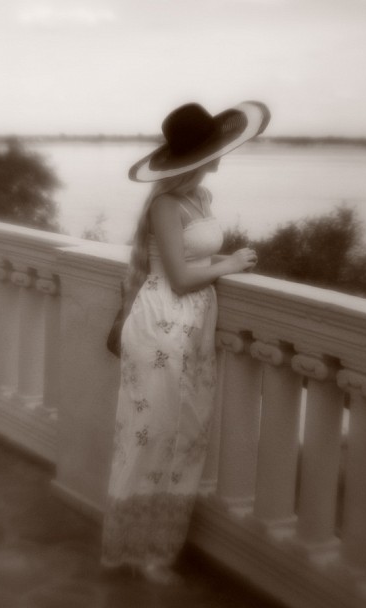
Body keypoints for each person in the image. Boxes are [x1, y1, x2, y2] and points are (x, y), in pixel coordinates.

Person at [101, 100, 271, 584]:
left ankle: (160, 544)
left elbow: (194, 261)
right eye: (214, 148)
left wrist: (224, 262)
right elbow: (178, 277)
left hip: (193, 327)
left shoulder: (203, 197)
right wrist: (229, 265)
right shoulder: (165, 204)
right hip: (161, 323)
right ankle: (134, 548)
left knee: (186, 434)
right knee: (152, 435)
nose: (221, 154)